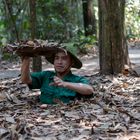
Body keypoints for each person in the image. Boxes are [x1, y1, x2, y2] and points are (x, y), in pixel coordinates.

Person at [21, 47, 94, 104]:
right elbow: (25, 79)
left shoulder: (77, 80)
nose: (59, 62)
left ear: (71, 63)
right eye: (57, 58)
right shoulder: (46, 76)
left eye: (64, 58)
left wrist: (65, 84)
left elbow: (89, 90)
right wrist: (26, 58)